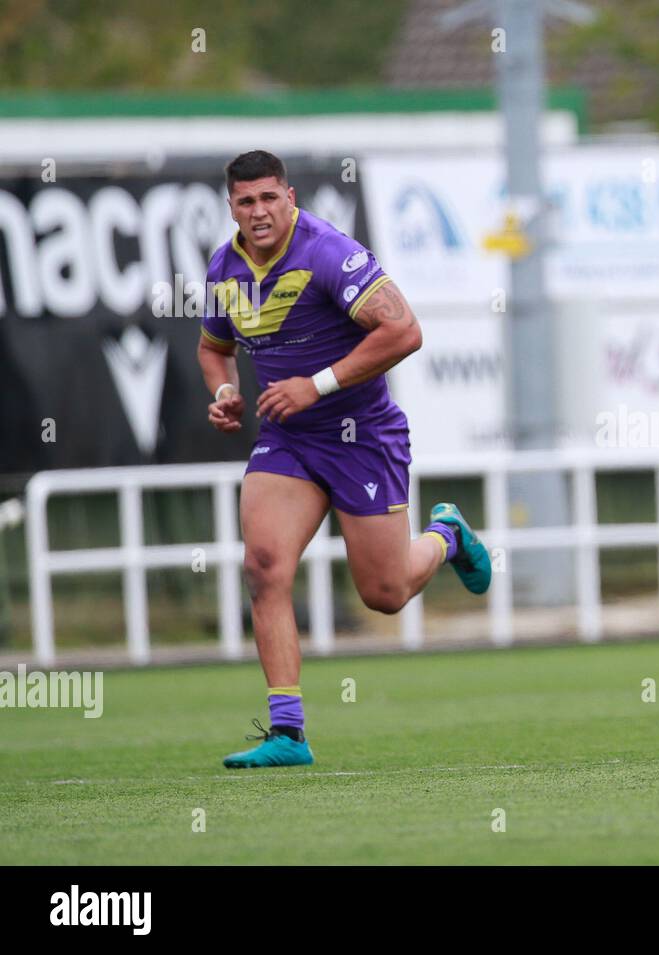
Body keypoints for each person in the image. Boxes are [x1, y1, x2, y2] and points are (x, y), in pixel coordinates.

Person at [197, 150, 492, 768]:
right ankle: (288, 733)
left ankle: (447, 534)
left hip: (361, 434)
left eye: (269, 198)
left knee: (383, 593)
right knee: (264, 566)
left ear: (290, 197)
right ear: (230, 207)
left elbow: (404, 330)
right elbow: (213, 348)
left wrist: (317, 384)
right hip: (289, 440)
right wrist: (224, 392)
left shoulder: (329, 252)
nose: (258, 212)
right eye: (246, 201)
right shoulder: (224, 265)